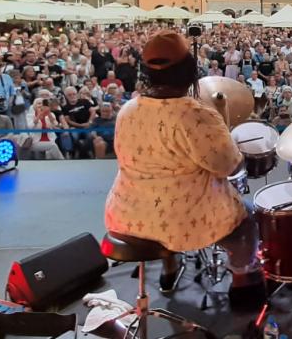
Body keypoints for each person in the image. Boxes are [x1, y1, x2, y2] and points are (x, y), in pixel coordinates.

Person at [104, 30, 264, 307]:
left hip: (125, 216)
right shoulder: (195, 115)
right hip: (179, 223)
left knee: (162, 207)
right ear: (190, 72)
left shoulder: (128, 110)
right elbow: (230, 166)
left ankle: (169, 268)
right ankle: (243, 286)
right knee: (247, 219)